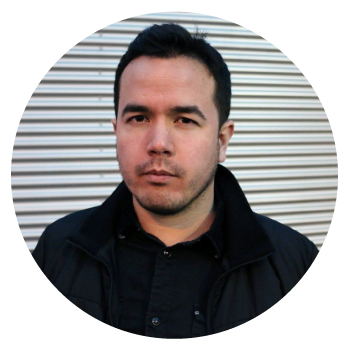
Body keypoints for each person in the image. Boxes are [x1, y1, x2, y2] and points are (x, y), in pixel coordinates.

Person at [32, 23, 318, 338]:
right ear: (117, 131)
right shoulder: (56, 251)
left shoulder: (298, 267)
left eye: (184, 120)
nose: (159, 143)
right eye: (138, 118)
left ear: (222, 140)